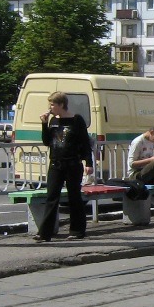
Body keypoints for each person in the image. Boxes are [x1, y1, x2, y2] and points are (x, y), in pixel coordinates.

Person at [35, 92, 93, 242]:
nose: (50, 107)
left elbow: (85, 142)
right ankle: (45, 233)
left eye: (53, 104)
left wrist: (88, 162)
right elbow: (47, 142)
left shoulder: (76, 120)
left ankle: (77, 230)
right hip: (56, 164)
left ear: (61, 104)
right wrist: (44, 124)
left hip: (73, 163)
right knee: (51, 197)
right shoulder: (53, 121)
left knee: (74, 196)